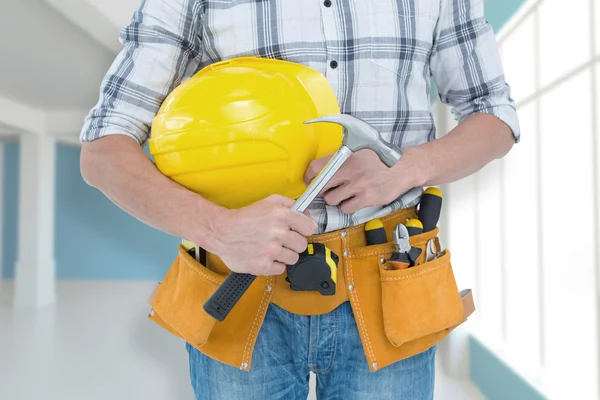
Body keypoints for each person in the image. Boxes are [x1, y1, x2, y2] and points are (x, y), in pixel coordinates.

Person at [79, 0, 520, 399]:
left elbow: (494, 115)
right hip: (243, 284)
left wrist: (404, 168)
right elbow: (102, 150)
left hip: (389, 280)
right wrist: (217, 229)